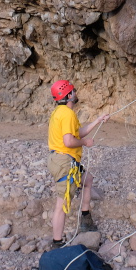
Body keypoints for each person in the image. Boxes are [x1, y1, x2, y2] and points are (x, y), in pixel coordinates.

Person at [47, 80, 110, 247]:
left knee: (87, 180)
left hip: (62, 161)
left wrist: (98, 121)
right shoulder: (67, 114)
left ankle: (85, 219)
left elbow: (77, 133)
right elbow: (69, 141)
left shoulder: (59, 112)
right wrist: (85, 143)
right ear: (68, 95)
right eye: (73, 91)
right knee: (62, 204)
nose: (75, 93)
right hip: (65, 163)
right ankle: (57, 243)